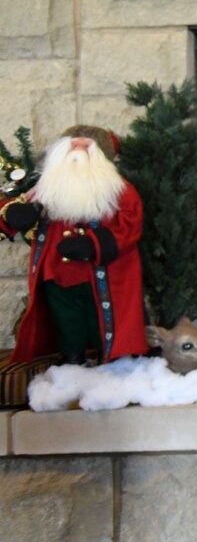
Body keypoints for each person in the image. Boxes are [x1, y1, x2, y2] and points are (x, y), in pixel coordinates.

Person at [0, 125, 147, 365]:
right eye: (72, 146)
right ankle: (71, 366)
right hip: (55, 275)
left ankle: (109, 367)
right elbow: (10, 210)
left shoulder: (118, 190)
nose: (77, 151)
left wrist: (95, 244)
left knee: (103, 322)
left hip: (103, 277)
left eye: (86, 147)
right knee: (67, 325)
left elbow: (131, 225)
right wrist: (14, 214)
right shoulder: (45, 188)